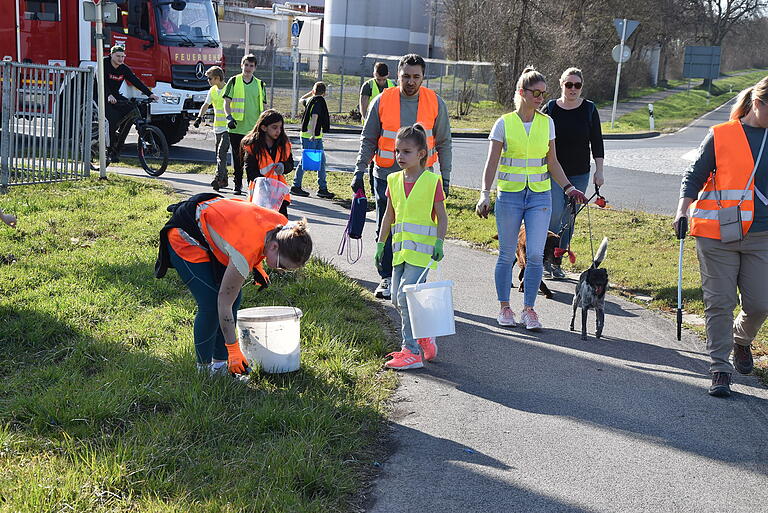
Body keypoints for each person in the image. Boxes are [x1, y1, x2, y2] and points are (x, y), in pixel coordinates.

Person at [673, 76, 768, 398]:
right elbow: (694, 175)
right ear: (758, 104)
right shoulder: (722, 135)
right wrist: (682, 210)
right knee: (720, 302)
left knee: (759, 303)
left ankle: (741, 340)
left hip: (762, 235)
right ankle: (719, 369)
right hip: (716, 234)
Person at [475, 67, 587, 331]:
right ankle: (505, 307)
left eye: (543, 93)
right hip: (510, 196)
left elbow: (552, 162)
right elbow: (491, 164)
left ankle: (529, 310)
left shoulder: (546, 123)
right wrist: (484, 194)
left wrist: (569, 188)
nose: (539, 97)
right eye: (535, 93)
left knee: (536, 255)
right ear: (521, 93)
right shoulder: (504, 123)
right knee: (505, 255)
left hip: (539, 196)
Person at [155, 194, 313, 375]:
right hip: (186, 234)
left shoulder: (283, 228)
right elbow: (224, 302)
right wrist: (233, 348)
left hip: (209, 223)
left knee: (235, 298)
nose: (280, 270)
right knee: (211, 303)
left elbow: (250, 233)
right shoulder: (246, 250)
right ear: (275, 247)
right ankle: (204, 371)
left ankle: (219, 366)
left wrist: (257, 264)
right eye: (281, 265)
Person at [351, 54, 452, 300]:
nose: (410, 81)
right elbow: (368, 138)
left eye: (416, 77)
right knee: (387, 226)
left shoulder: (434, 102)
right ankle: (387, 277)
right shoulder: (382, 100)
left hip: (422, 181)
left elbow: (444, 142)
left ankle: (415, 279)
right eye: (406, 76)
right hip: (387, 176)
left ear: (423, 77)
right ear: (397, 76)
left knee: (419, 230)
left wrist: (446, 179)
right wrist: (359, 169)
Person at [377, 124, 448, 370]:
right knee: (397, 299)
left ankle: (411, 351)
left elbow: (442, 216)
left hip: (423, 253)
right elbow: (389, 215)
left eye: (406, 151)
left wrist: (439, 241)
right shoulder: (393, 179)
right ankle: (424, 336)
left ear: (421, 154)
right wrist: (380, 243)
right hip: (400, 252)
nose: (399, 157)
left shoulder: (431, 181)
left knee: (406, 296)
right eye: (397, 151)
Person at [541, 67, 605, 279]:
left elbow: (597, 141)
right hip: (554, 172)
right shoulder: (551, 108)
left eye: (577, 85)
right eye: (569, 85)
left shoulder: (589, 109)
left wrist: (599, 171)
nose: (573, 89)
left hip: (580, 174)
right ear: (561, 85)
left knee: (569, 219)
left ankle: (557, 262)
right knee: (554, 215)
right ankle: (544, 259)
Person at [96, 45, 159, 161]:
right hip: (101, 95)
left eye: (123, 56)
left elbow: (136, 81)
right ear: (111, 55)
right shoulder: (104, 63)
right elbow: (101, 81)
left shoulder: (124, 68)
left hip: (115, 96)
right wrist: (108, 95)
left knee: (132, 111)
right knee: (112, 120)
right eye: (118, 56)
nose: (121, 59)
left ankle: (118, 147)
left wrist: (150, 94)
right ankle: (109, 149)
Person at [223, 54, 268, 195]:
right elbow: (227, 102)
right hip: (236, 127)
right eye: (246, 65)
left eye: (251, 65)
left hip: (253, 129)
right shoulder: (234, 81)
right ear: (241, 65)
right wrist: (229, 117)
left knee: (253, 159)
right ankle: (237, 185)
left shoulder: (260, 84)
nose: (248, 68)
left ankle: (252, 186)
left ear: (255, 68)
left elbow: (264, 106)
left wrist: (265, 124)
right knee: (238, 158)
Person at [242, 109, 294, 217]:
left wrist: (283, 166)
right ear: (264, 127)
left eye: (280, 127)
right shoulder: (253, 146)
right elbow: (250, 171)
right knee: (260, 225)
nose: (278, 131)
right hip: (259, 193)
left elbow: (290, 164)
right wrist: (264, 186)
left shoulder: (284, 145)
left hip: (278, 193)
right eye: (274, 127)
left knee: (281, 225)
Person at [291, 82, 334, 199]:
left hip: (313, 135)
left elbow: (301, 99)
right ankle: (295, 186)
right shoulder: (318, 101)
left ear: (314, 91)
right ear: (324, 93)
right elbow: (315, 116)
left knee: (321, 161)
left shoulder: (310, 100)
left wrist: (312, 92)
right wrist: (313, 134)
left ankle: (322, 188)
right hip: (311, 135)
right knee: (306, 161)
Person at [359, 62, 396, 199]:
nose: (381, 82)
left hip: (389, 127)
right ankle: (374, 189)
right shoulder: (368, 86)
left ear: (388, 76)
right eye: (378, 79)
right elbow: (363, 105)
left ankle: (389, 187)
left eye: (383, 79)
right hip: (373, 127)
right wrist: (367, 122)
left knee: (388, 157)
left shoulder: (393, 85)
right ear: (374, 74)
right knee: (371, 157)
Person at [194, 66, 230, 192]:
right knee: (218, 155)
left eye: (209, 78)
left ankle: (218, 179)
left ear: (217, 78)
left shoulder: (229, 89)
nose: (208, 80)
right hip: (217, 127)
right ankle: (224, 179)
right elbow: (206, 105)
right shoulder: (212, 90)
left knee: (221, 153)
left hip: (228, 127)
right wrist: (199, 117)